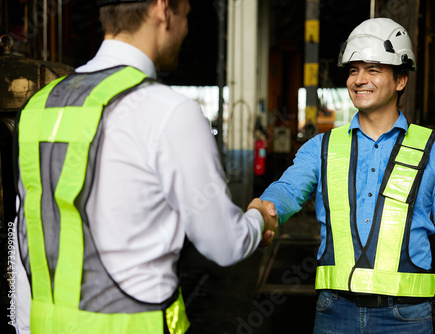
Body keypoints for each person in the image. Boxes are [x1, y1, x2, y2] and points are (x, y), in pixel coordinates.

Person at [12, 0, 277, 333]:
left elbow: (24, 242)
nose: (186, 29)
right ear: (164, 9)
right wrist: (258, 218)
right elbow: (224, 243)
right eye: (187, 16)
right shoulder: (170, 111)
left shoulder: (38, 107)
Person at [260, 18, 435, 333]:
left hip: (406, 319)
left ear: (401, 79)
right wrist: (264, 208)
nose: (359, 80)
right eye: (353, 70)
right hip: (334, 313)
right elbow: (287, 191)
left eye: (373, 70)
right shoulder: (320, 148)